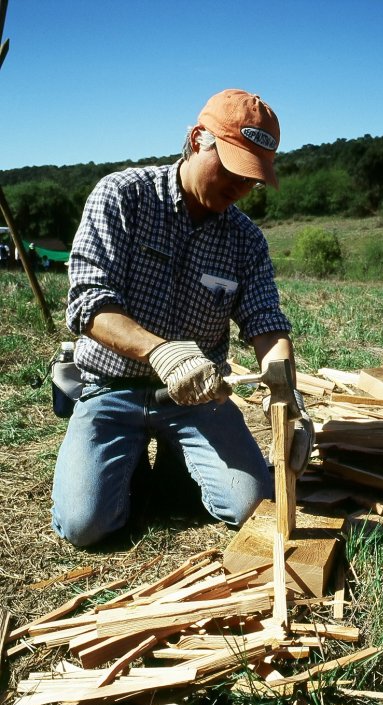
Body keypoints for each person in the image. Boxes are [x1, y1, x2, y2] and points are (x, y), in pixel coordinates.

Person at [51, 88, 314, 548]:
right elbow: (89, 304)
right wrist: (161, 352)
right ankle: (128, 458)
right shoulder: (123, 197)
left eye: (253, 178)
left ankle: (175, 459)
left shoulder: (245, 240)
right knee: (83, 525)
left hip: (196, 398)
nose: (241, 187)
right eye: (233, 169)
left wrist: (289, 397)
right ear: (197, 140)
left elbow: (265, 320)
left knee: (252, 505)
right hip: (112, 387)